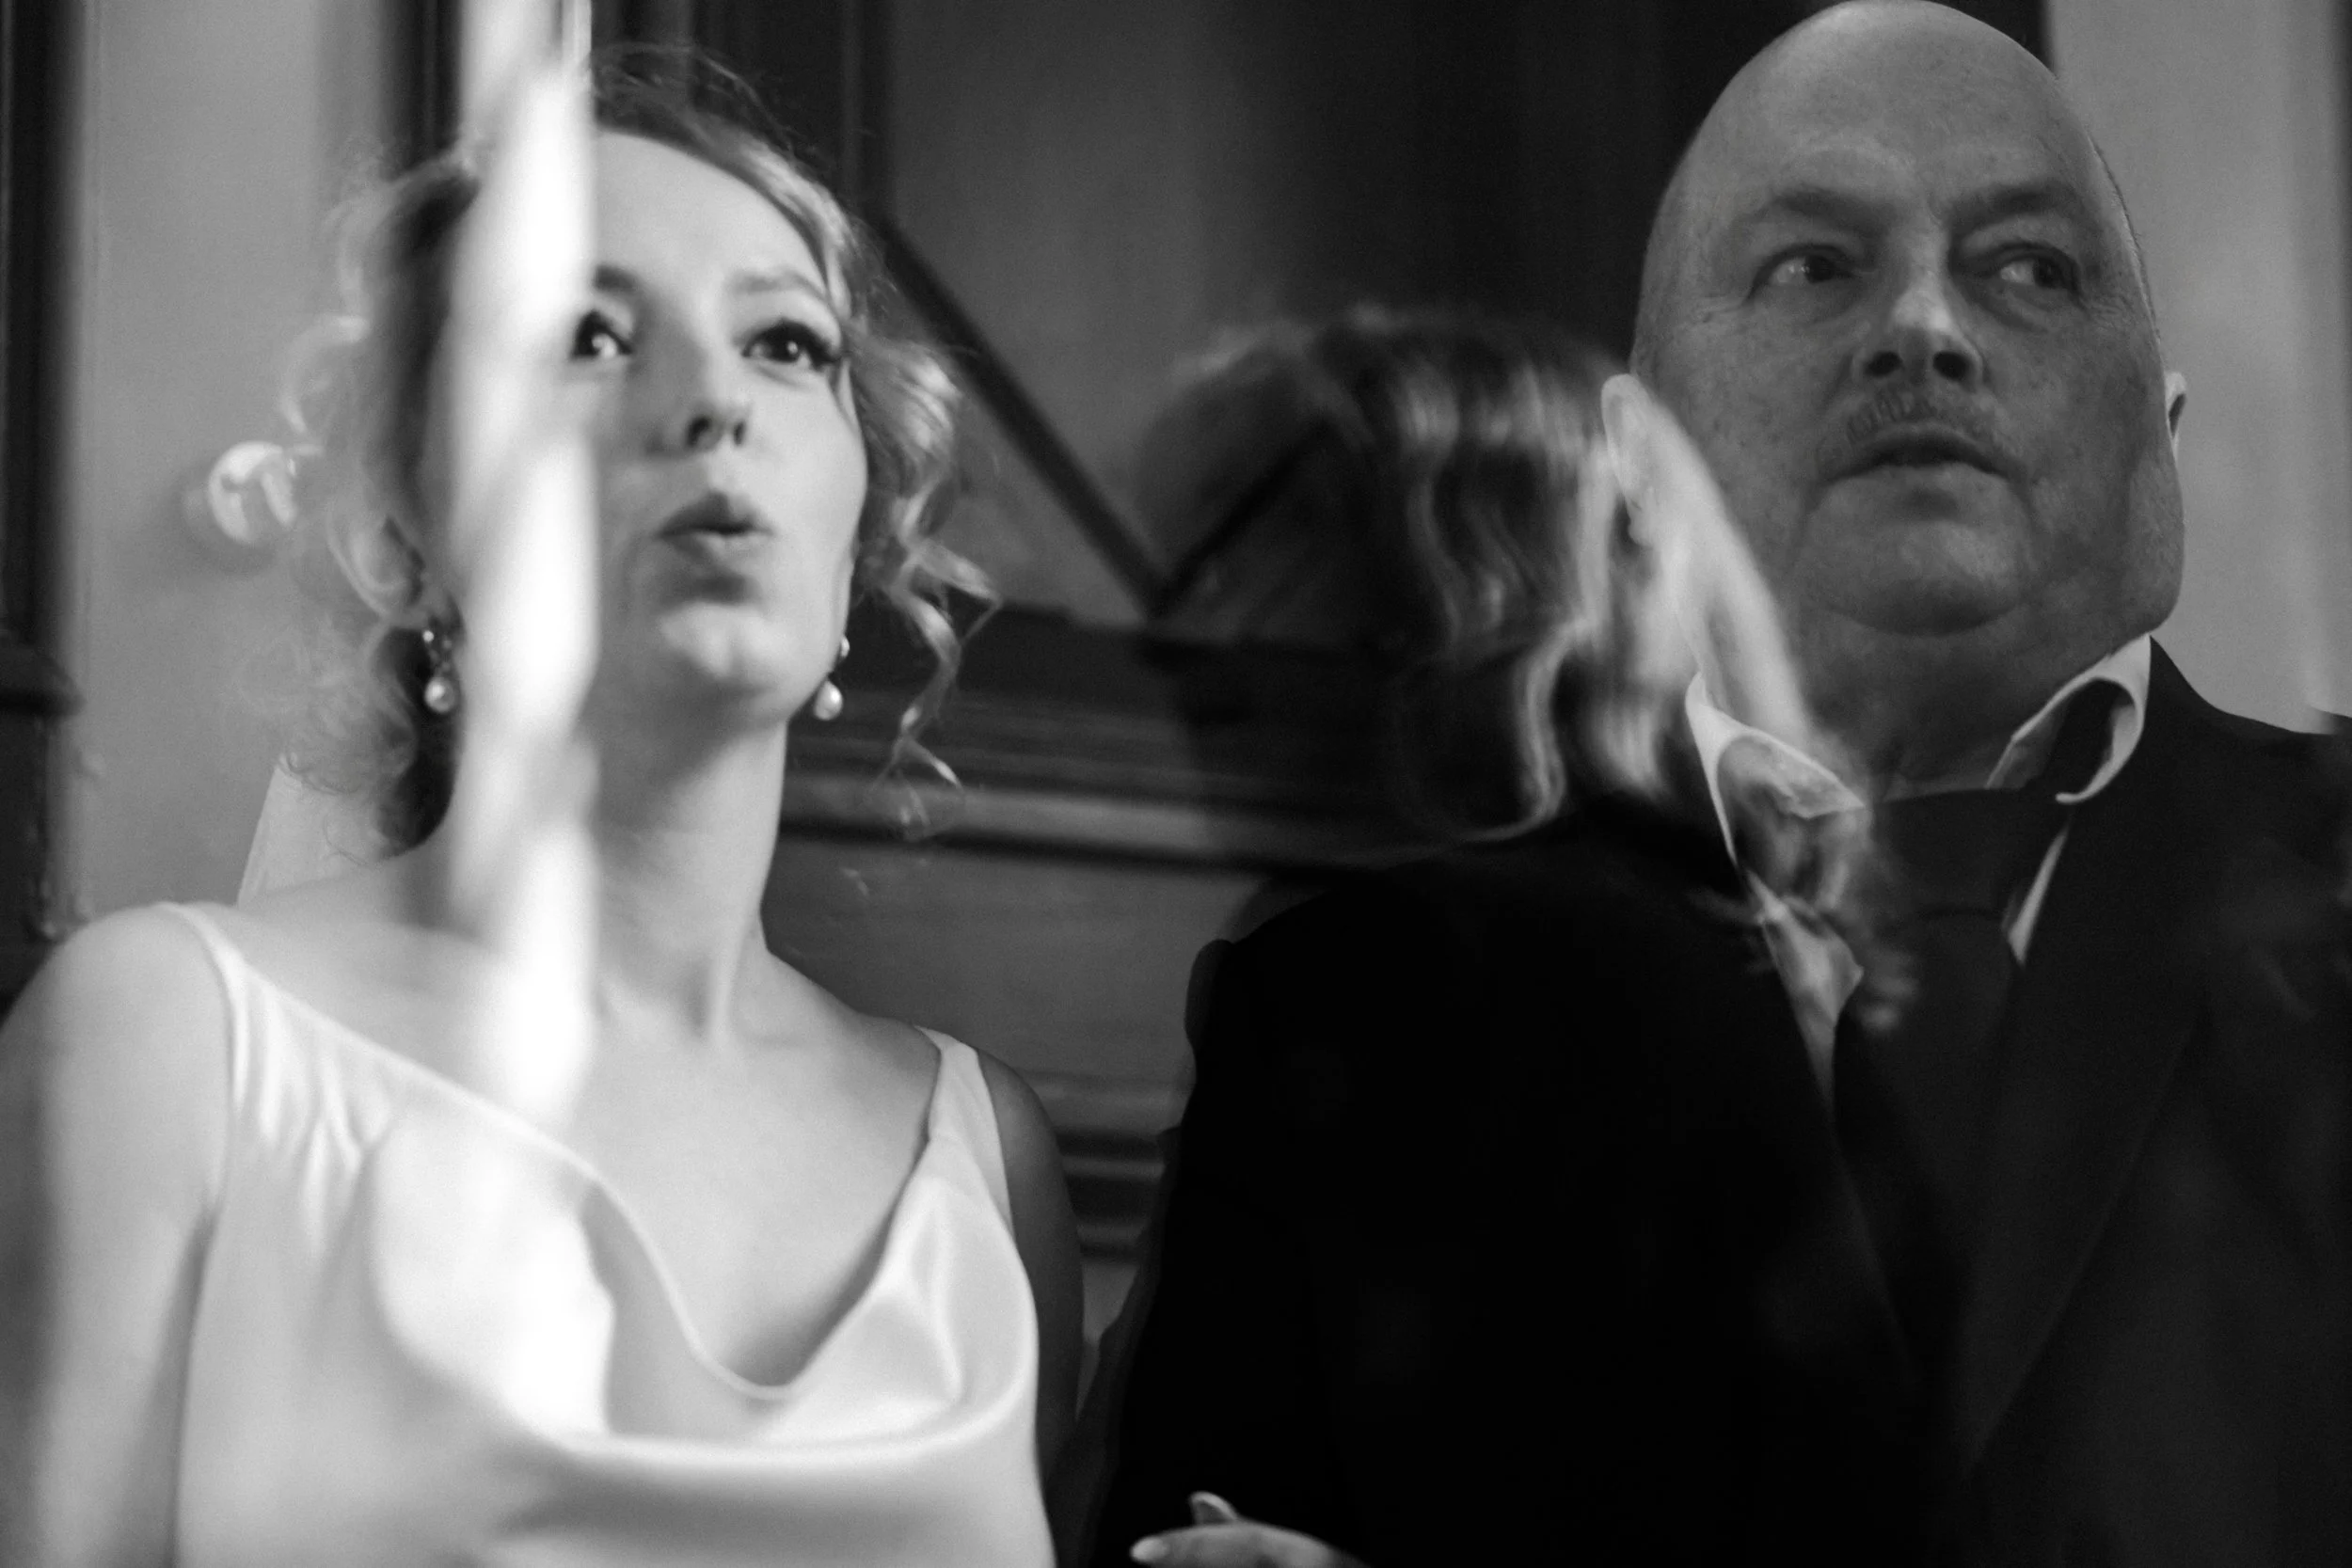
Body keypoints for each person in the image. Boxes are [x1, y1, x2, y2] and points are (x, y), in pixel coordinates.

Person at [5, 54, 1080, 1567]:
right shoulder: (169, 1040)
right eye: (585, 334)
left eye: (785, 341)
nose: (715, 403)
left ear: (859, 536)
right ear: (398, 532)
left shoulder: (982, 1155)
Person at [1621, 4, 2352, 1561]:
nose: (1927, 331)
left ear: (2161, 435)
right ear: (1634, 466)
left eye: (2031, 266)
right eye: (1813, 264)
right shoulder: (1341, 1015)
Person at [1069, 310, 1920, 1566]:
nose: (1170, 636)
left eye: (1233, 542)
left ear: (1438, 565)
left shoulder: (1381, 973)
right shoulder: (1799, 962)